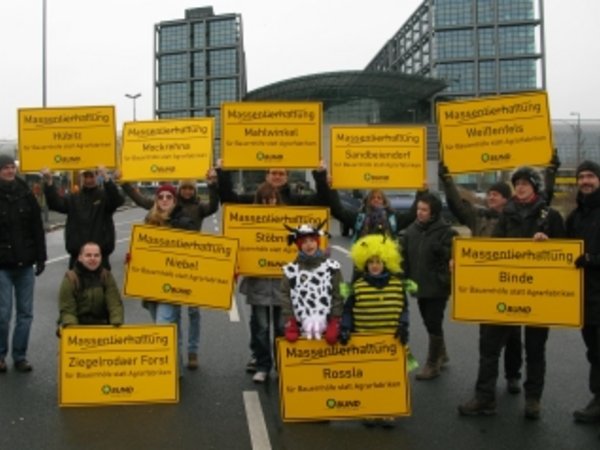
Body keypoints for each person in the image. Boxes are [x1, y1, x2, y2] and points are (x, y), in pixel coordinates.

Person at [458, 166, 565, 420]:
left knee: (536, 350)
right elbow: (494, 249)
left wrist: (548, 243)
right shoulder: (507, 213)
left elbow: (566, 252)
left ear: (535, 187)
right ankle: (485, 398)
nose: (520, 187)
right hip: (506, 291)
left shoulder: (551, 215)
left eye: (526, 183)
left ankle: (533, 400)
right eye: (517, 183)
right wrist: (464, 264)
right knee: (489, 345)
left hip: (539, 292)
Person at [118, 172, 218, 370]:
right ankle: (175, 361)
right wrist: (125, 183)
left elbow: (214, 206)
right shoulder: (156, 212)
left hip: (187, 268)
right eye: (185, 188)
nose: (188, 191)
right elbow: (139, 200)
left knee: (193, 312)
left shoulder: (196, 209)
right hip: (161, 275)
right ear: (180, 191)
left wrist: (213, 184)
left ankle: (191, 351)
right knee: (172, 318)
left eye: (191, 188)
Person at [439, 164, 521, 393]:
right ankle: (487, 386)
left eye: (495, 195)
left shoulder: (517, 219)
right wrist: (447, 180)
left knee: (514, 335)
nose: (490, 197)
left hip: (510, 284)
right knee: (488, 337)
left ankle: (513, 376)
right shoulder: (478, 217)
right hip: (485, 286)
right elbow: (457, 206)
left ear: (506, 199)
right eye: (490, 194)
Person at [339, 233, 413, 428]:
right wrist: (345, 328)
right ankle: (370, 410)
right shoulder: (358, 286)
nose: (374, 265)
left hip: (390, 340)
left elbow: (404, 308)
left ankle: (388, 411)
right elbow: (347, 310)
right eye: (370, 261)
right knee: (369, 378)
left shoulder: (398, 285)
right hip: (365, 339)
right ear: (365, 264)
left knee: (389, 378)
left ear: (386, 262)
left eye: (378, 261)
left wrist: (403, 325)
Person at [136, 184, 196, 372]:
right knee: (168, 326)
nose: (164, 200)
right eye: (160, 196)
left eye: (168, 196)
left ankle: (168, 371)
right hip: (151, 285)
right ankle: (175, 367)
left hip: (172, 284)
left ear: (174, 200)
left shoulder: (184, 222)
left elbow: (192, 252)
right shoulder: (148, 221)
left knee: (164, 326)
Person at [402, 192, 457, 380]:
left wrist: (442, 250)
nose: (420, 213)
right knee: (428, 321)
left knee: (433, 322)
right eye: (418, 209)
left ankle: (432, 364)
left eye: (424, 210)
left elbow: (455, 254)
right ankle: (442, 353)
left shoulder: (446, 231)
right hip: (419, 286)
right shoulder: (411, 231)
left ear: (433, 212)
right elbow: (404, 256)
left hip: (437, 286)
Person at [0, 155, 46, 373]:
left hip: (25, 264)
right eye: (5, 168)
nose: (9, 171)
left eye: (12, 167)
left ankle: (20, 356)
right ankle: (0, 355)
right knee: (3, 313)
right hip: (2, 265)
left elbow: (37, 228)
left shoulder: (26, 194)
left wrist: (41, 257)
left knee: (25, 313)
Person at [238, 182, 286, 383]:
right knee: (262, 329)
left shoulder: (288, 222)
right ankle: (263, 366)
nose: (269, 204)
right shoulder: (248, 224)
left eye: (272, 200)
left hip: (283, 287)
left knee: (282, 329)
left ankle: (284, 366)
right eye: (265, 200)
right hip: (258, 286)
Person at [566, 160, 600, 424]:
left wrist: (592, 259)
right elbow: (561, 248)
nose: (585, 181)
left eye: (590, 176)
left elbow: (588, 256)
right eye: (582, 177)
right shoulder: (576, 216)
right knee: (594, 352)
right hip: (584, 298)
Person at [41, 167, 124, 269]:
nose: (88, 180)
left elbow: (117, 200)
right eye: (86, 176)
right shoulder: (73, 198)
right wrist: (49, 182)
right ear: (81, 177)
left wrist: (107, 179)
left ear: (97, 176)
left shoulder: (104, 197)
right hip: (77, 258)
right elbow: (55, 204)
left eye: (91, 176)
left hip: (100, 259)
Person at [281, 222, 343, 344]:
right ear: (299, 246)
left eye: (312, 240)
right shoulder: (290, 270)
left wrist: (335, 320)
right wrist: (290, 321)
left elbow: (341, 292)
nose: (309, 245)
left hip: (328, 321)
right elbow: (285, 296)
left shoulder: (333, 267)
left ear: (317, 242)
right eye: (304, 242)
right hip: (301, 326)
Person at [57, 242, 124, 329]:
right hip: (79, 327)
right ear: (80, 258)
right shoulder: (70, 279)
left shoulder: (106, 276)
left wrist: (116, 323)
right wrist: (72, 329)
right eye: (88, 255)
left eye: (96, 255)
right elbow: (67, 310)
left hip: (103, 327)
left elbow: (114, 303)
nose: (93, 258)